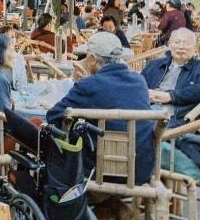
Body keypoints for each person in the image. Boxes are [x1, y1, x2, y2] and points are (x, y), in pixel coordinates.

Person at [48, 32, 154, 185]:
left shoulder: (89, 86)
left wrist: (79, 86)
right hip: (141, 170)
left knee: (57, 138)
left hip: (100, 171)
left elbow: (54, 116)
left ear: (91, 59)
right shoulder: (139, 81)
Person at [142, 28, 200, 127]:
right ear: (169, 45)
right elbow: (139, 83)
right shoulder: (155, 65)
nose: (181, 47)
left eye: (186, 43)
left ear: (195, 48)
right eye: (176, 42)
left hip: (172, 117)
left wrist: (171, 96)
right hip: (145, 109)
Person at [0, 25, 28, 91]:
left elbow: (22, 82)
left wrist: (21, 94)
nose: (10, 39)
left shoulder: (19, 58)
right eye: (7, 37)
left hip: (14, 93)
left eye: (13, 37)